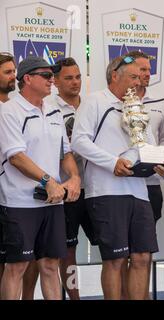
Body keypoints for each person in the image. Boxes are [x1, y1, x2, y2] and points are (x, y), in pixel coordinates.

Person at [71, 55, 164, 300]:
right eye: (133, 77)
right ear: (115, 75)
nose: (138, 82)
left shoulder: (137, 107)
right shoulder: (95, 101)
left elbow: (148, 146)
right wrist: (112, 162)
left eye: (140, 77)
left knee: (142, 256)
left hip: (139, 190)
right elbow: (78, 141)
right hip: (106, 191)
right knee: (115, 258)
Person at [0, 56, 81, 300]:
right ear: (27, 79)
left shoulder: (54, 109)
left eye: (52, 76)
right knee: (17, 267)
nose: (51, 81)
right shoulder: (8, 111)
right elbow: (16, 157)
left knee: (50, 264)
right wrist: (50, 181)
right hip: (19, 202)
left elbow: (64, 152)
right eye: (46, 76)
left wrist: (75, 177)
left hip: (52, 202)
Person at [21, 57, 98, 300]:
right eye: (68, 78)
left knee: (114, 250)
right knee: (66, 250)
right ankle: (73, 296)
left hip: (96, 187)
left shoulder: (91, 105)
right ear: (56, 81)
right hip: (61, 189)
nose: (75, 82)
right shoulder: (49, 107)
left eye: (78, 77)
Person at [121, 51, 164, 299]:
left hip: (150, 186)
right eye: (142, 70)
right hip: (119, 185)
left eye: (149, 70)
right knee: (120, 255)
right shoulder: (115, 100)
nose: (147, 74)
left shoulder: (160, 102)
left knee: (143, 253)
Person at [0, 52, 17, 297]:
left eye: (14, 71)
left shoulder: (17, 108)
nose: (14, 76)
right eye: (7, 72)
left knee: (17, 259)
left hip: (15, 195)